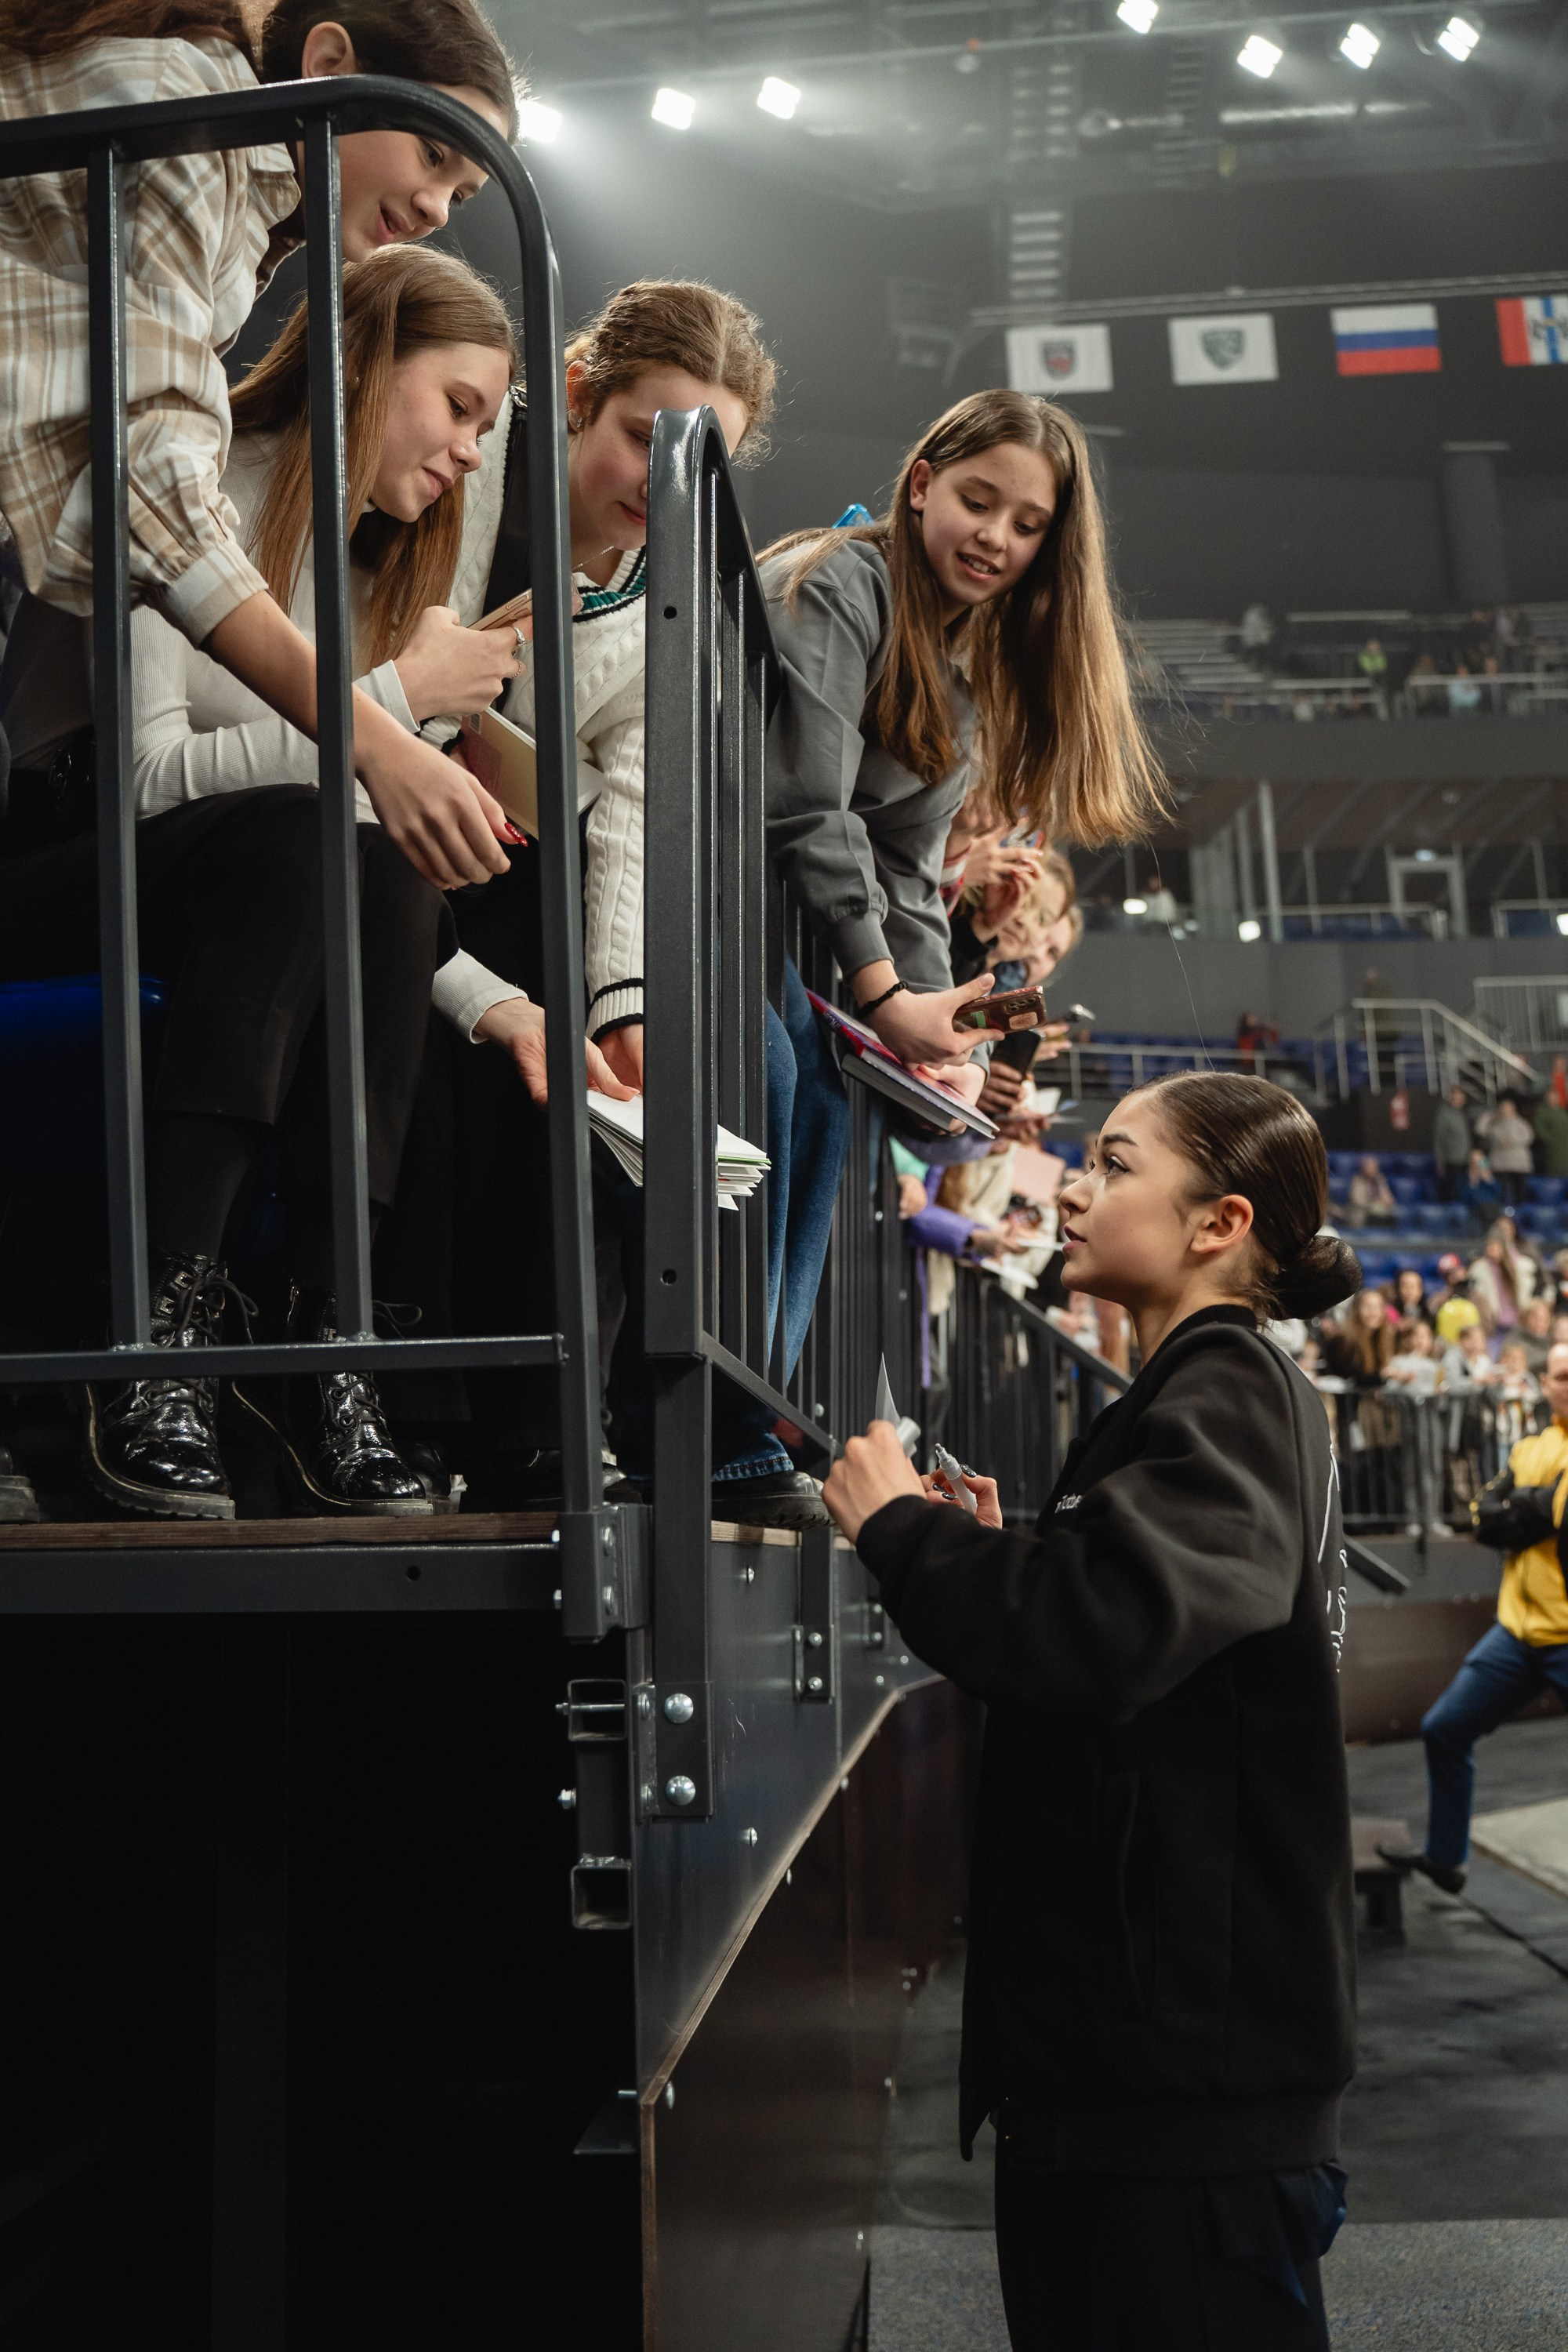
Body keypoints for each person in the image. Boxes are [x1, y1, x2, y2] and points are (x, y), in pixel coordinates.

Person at [0, 248, 567, 1517]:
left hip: (248, 880)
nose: (477, 452)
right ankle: (155, 1333)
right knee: (323, 831)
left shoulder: (354, 567)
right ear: (367, 366)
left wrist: (501, 1008)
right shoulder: (183, 484)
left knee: (366, 849)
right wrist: (397, 702)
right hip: (51, 862)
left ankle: (326, 1343)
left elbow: (358, 846)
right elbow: (144, 782)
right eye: (461, 405)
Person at [821, 1070, 1359, 2350]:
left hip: (1177, 2099)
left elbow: (1103, 1633)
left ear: (1217, 1224)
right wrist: (1007, 1567)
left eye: (1117, 1164)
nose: (1074, 1181)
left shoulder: (1226, 1381)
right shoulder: (1199, 1393)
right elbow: (1115, 1633)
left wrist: (901, 1531)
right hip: (1148, 2074)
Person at [744, 387, 1163, 1510]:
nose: (998, 539)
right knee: (790, 1070)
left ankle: (762, 1413)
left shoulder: (965, 660)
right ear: (922, 477)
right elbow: (808, 810)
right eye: (980, 502)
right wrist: (890, 998)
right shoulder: (837, 581)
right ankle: (732, 1416)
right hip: (723, 908)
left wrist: (956, 1042)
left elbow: (908, 866)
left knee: (829, 1100)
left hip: (808, 953)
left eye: (1028, 527)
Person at [0, 0, 521, 892]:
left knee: (375, 886)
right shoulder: (187, 112)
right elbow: (149, 490)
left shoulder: (247, 189)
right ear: (325, 63)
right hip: (68, 824)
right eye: (433, 155)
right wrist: (385, 721)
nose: (438, 208)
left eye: (465, 192)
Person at [1381, 1341, 1568, 1895]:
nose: (1566, 1384)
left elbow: (1526, 1515)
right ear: (1544, 1384)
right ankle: (1446, 1859)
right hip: (1517, 1632)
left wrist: (1525, 1510)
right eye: (1559, 1375)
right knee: (1445, 1728)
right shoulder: (1530, 1447)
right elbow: (1484, 1516)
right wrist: (1537, 1509)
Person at [1477, 1094, 1534, 1208]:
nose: (1505, 1110)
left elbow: (1529, 1137)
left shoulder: (1521, 1123)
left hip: (1518, 1165)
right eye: (1502, 1107)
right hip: (1500, 1165)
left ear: (1513, 1109)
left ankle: (1519, 1215)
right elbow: (1480, 1130)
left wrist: (1512, 1142)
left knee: (1519, 1193)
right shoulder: (1495, 1124)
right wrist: (1489, 1117)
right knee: (1501, 1193)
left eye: (1507, 1107)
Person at [1433, 1085, 1473, 1203]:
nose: (1460, 1100)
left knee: (1463, 1189)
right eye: (1457, 1098)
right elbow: (1439, 1138)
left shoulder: (1462, 1114)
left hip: (1465, 1158)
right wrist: (1440, 1159)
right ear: (1451, 1098)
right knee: (1451, 1190)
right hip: (1451, 1159)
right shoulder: (1444, 1114)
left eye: (1461, 1098)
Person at [1343, 1153, 1396, 1229]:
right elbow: (1357, 1200)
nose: (1373, 1168)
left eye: (1374, 1166)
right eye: (1369, 1166)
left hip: (1380, 1212)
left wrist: (1385, 1202)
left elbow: (1390, 1199)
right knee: (1376, 1219)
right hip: (1364, 1214)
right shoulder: (1357, 1180)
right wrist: (1373, 1203)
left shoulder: (1380, 1179)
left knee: (1392, 1219)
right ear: (1363, 1167)